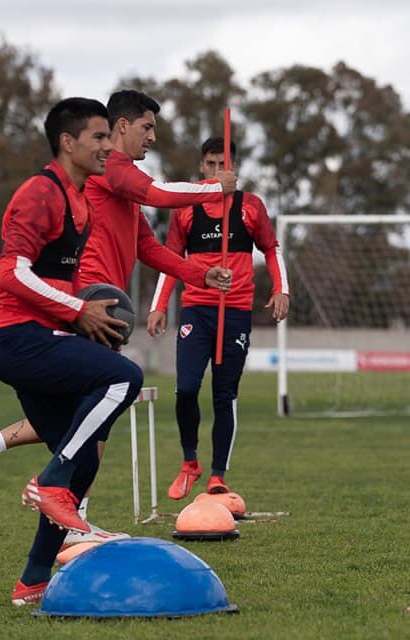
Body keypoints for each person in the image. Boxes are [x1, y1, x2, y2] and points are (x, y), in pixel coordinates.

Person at [0, 90, 237, 544]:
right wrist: (213, 188)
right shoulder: (117, 172)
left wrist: (201, 273)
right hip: (84, 307)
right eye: (146, 127)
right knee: (96, 412)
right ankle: (66, 512)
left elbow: (148, 248)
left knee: (74, 421)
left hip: (99, 308)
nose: (152, 137)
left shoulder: (118, 182)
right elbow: (160, 193)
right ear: (121, 127)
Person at [0, 97, 143, 606]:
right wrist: (78, 311)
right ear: (67, 142)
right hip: (13, 337)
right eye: (98, 137)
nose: (106, 146)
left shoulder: (82, 204)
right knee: (124, 378)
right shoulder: (39, 193)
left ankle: (31, 583)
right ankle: (49, 481)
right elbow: (13, 273)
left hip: (42, 335)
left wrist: (89, 318)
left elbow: (66, 283)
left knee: (84, 461)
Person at [147, 137, 289, 499]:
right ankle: (189, 462)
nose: (216, 171)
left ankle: (216, 475)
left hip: (237, 312)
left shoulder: (250, 207)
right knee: (186, 389)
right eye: (209, 164)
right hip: (197, 308)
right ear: (201, 167)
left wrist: (280, 289)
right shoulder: (185, 209)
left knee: (224, 395)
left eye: (222, 164)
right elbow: (169, 259)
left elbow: (271, 249)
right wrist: (159, 305)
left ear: (234, 168)